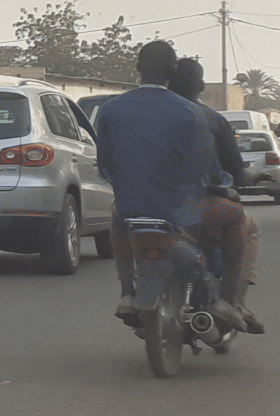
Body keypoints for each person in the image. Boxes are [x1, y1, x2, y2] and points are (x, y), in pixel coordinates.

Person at [94, 40, 246, 333]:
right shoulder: (190, 112)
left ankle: (127, 292)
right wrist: (224, 185)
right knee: (236, 217)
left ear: (138, 68)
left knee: (116, 216)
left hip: (132, 209)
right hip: (183, 210)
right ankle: (226, 299)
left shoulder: (110, 110)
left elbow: (105, 165)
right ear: (172, 71)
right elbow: (208, 168)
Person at [170, 58, 265, 333]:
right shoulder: (209, 119)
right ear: (200, 86)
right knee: (248, 225)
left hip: (147, 207)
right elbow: (234, 171)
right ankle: (233, 301)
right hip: (197, 209)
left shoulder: (147, 117)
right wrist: (246, 178)